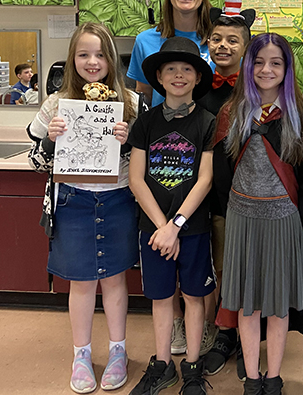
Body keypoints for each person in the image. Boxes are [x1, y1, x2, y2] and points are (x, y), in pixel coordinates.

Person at [26, 23, 141, 394]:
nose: (93, 62)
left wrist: (127, 144)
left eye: (100, 54)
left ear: (112, 59)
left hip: (118, 197)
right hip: (73, 200)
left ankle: (118, 351)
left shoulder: (131, 104)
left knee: (114, 279)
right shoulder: (57, 104)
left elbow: (145, 163)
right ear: (72, 60)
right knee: (81, 281)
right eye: (83, 55)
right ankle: (81, 354)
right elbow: (35, 162)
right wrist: (50, 139)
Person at [217, 33, 303, 395]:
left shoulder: (300, 115)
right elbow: (223, 171)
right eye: (258, 62)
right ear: (248, 66)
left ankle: (273, 377)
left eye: (275, 62)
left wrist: (298, 221)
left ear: (287, 69)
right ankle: (252, 378)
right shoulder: (233, 112)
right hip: (243, 219)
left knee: (277, 305)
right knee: (247, 305)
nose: (266, 69)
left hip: (283, 221)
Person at [127, 37, 216, 395]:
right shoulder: (145, 123)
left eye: (187, 69)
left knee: (195, 296)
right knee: (162, 298)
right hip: (154, 231)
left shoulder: (208, 122)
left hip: (192, 228)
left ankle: (192, 366)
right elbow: (136, 178)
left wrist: (176, 225)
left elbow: (205, 178)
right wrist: (163, 228)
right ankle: (162, 363)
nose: (178, 75)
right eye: (170, 69)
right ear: (159, 78)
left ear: (197, 78)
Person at [197, 2, 257, 377]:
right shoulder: (199, 90)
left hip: (252, 199)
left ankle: (250, 334)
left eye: (233, 40)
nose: (223, 46)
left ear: (246, 48)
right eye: (216, 39)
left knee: (249, 268)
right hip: (212, 199)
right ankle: (225, 333)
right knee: (220, 268)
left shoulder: (258, 93)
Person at [128, 0, 213, 108]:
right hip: (161, 127)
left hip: (211, 127)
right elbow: (144, 96)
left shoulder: (219, 42)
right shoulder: (145, 41)